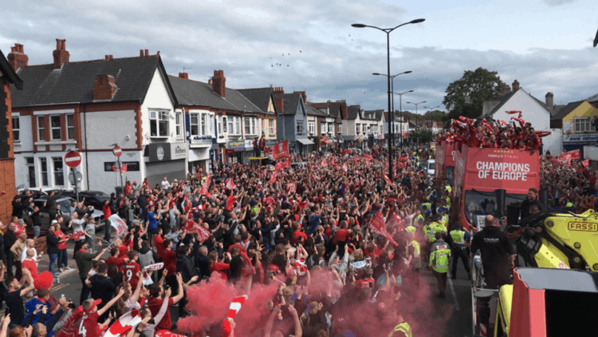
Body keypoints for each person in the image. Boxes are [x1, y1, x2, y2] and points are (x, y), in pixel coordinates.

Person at [470, 215, 515, 289]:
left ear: (485, 223)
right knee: (507, 288)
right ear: (495, 222)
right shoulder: (504, 235)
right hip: (502, 268)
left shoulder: (479, 236)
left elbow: (472, 254)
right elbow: (511, 253)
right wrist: (511, 263)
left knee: (491, 289)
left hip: (488, 269)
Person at [429, 232, 451, 298]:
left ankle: (441, 292)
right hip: (445, 266)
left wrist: (430, 264)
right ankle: (443, 291)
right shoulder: (446, 245)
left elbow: (432, 256)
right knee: (444, 279)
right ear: (441, 237)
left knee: (439, 280)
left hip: (437, 267)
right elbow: (449, 256)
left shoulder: (434, 246)